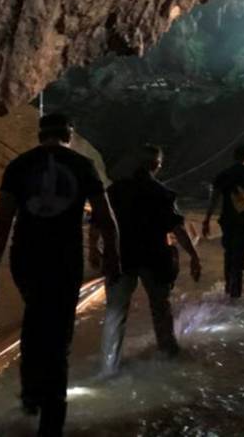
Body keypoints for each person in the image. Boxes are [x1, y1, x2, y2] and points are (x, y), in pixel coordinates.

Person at [0, 114, 120, 437]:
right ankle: (51, 419)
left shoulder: (19, 165)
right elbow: (106, 219)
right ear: (69, 134)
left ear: (40, 135)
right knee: (59, 335)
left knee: (35, 319)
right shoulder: (83, 166)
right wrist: (113, 258)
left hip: (25, 258)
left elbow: (1, 223)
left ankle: (30, 396)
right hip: (64, 260)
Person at [98, 145, 201, 375]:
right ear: (157, 166)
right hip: (154, 258)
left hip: (121, 256)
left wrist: (97, 252)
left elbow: (100, 219)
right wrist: (193, 256)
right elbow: (178, 228)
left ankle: (108, 367)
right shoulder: (162, 193)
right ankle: (168, 356)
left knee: (115, 312)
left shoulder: (115, 190)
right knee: (160, 308)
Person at [202, 144, 244, 299]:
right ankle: (235, 295)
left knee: (229, 253)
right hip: (243, 220)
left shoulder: (223, 174)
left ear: (234, 157)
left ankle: (228, 288)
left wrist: (207, 220)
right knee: (241, 255)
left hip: (226, 220)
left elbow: (214, 199)